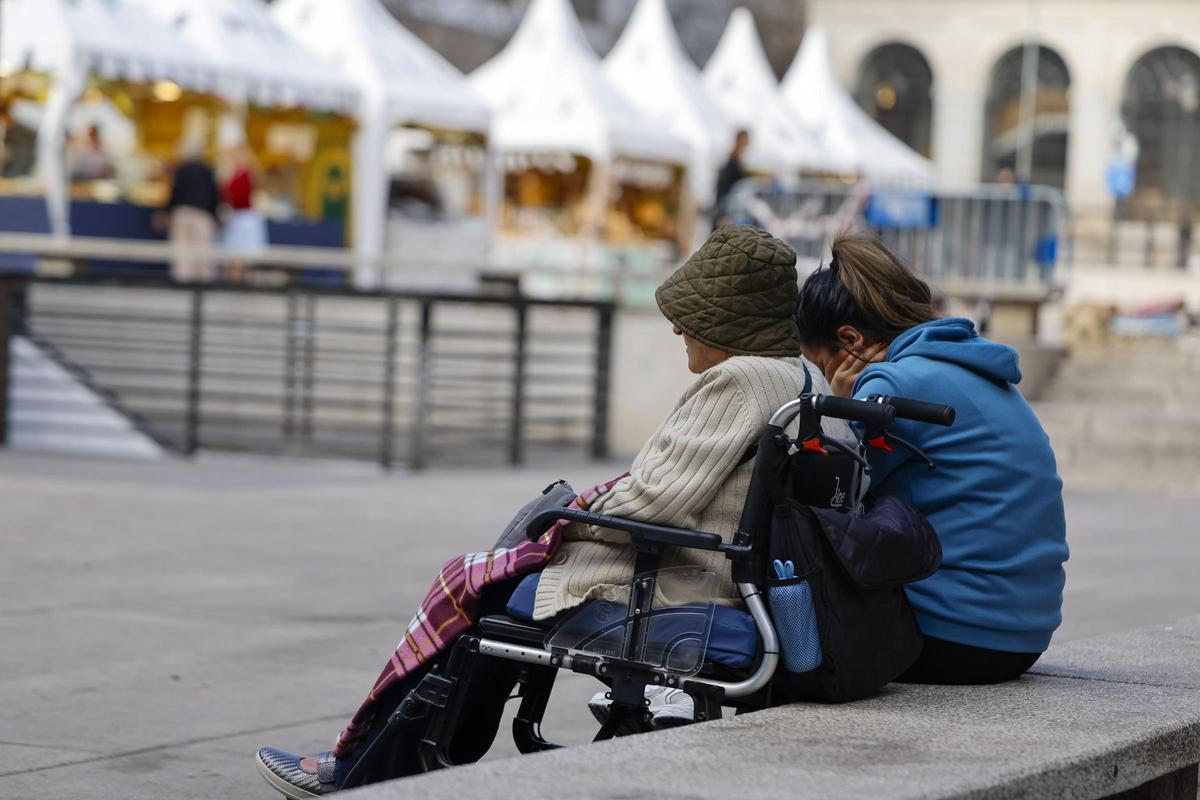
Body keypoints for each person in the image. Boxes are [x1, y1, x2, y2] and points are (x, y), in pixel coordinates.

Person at [254, 225, 849, 797]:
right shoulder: (798, 374)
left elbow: (655, 500)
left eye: (690, 319)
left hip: (677, 582)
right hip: (727, 577)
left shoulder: (739, 380)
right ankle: (380, 763)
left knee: (482, 592)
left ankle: (364, 773)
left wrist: (570, 516)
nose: (678, 332)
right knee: (498, 587)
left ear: (726, 322)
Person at [794, 232, 1069, 685]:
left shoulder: (893, 383)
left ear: (849, 340)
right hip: (1022, 632)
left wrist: (841, 410)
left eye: (820, 363)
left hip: (955, 635)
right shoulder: (972, 368)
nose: (823, 378)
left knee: (790, 576)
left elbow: (834, 499)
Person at [158, 141, 220, 283]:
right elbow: (214, 196)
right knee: (203, 254)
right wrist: (216, 217)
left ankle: (183, 285)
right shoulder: (208, 170)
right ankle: (201, 288)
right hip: (202, 216)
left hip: (182, 214)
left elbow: (174, 194)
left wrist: (165, 211)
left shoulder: (182, 170)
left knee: (182, 254)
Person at [220, 146, 268, 282]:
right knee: (235, 257)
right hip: (238, 219)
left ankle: (238, 283)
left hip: (243, 220)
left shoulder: (245, 174)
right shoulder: (237, 173)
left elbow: (236, 196)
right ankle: (236, 282)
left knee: (240, 257)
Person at [713, 129, 750, 228]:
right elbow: (722, 189)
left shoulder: (739, 163)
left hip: (733, 213)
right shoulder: (730, 163)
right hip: (725, 214)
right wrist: (721, 215)